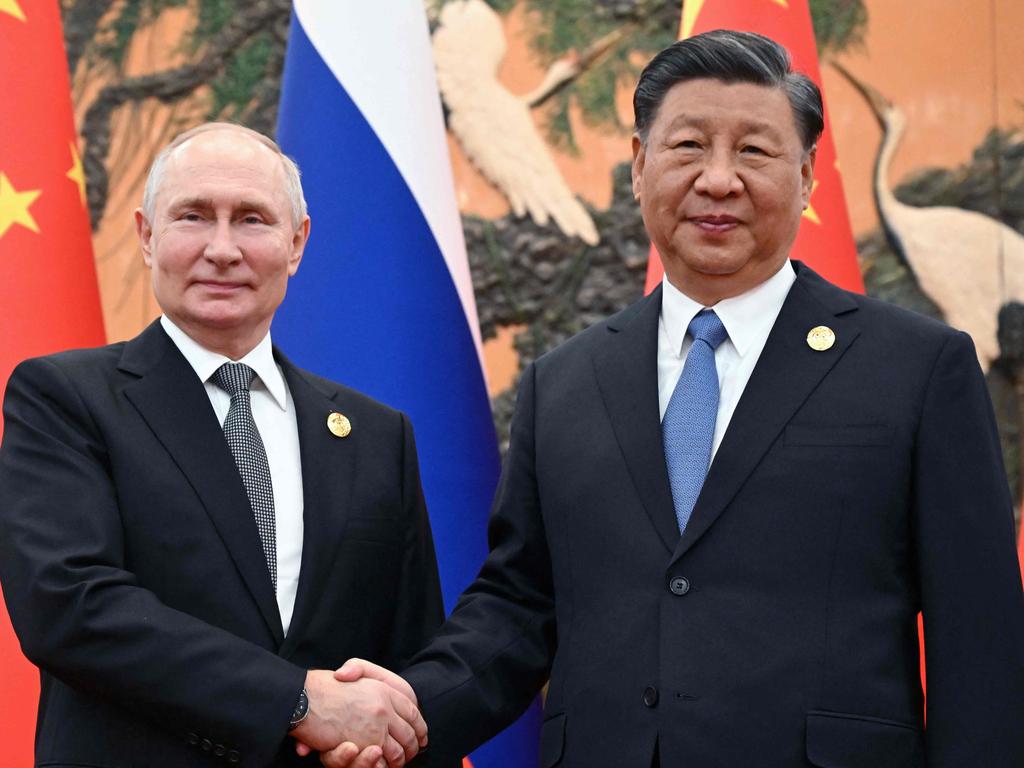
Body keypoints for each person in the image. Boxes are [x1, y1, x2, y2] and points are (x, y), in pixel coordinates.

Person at [325, 30, 1024, 768]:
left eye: (753, 151)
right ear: (638, 166)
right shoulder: (564, 382)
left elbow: (979, 640)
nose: (718, 180)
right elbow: (519, 608)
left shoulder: (917, 368)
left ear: (809, 175)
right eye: (688, 146)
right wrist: (407, 713)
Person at [0, 123, 446, 768]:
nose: (223, 248)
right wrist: (294, 701)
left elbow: (407, 659)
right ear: (147, 236)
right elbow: (69, 607)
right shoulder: (64, 399)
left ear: (296, 244)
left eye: (252, 219)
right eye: (193, 216)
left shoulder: (377, 436)